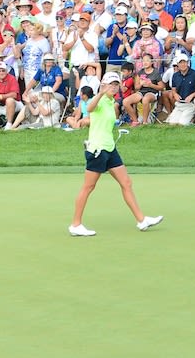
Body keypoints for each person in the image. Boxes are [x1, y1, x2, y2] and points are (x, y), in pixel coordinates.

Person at [69, 71, 164, 237]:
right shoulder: (100, 100)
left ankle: (142, 220)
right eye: (110, 84)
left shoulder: (112, 102)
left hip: (110, 148)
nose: (114, 87)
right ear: (104, 85)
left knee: (126, 183)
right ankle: (75, 225)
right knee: (88, 187)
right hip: (97, 149)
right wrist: (100, 93)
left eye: (116, 85)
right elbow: (90, 108)